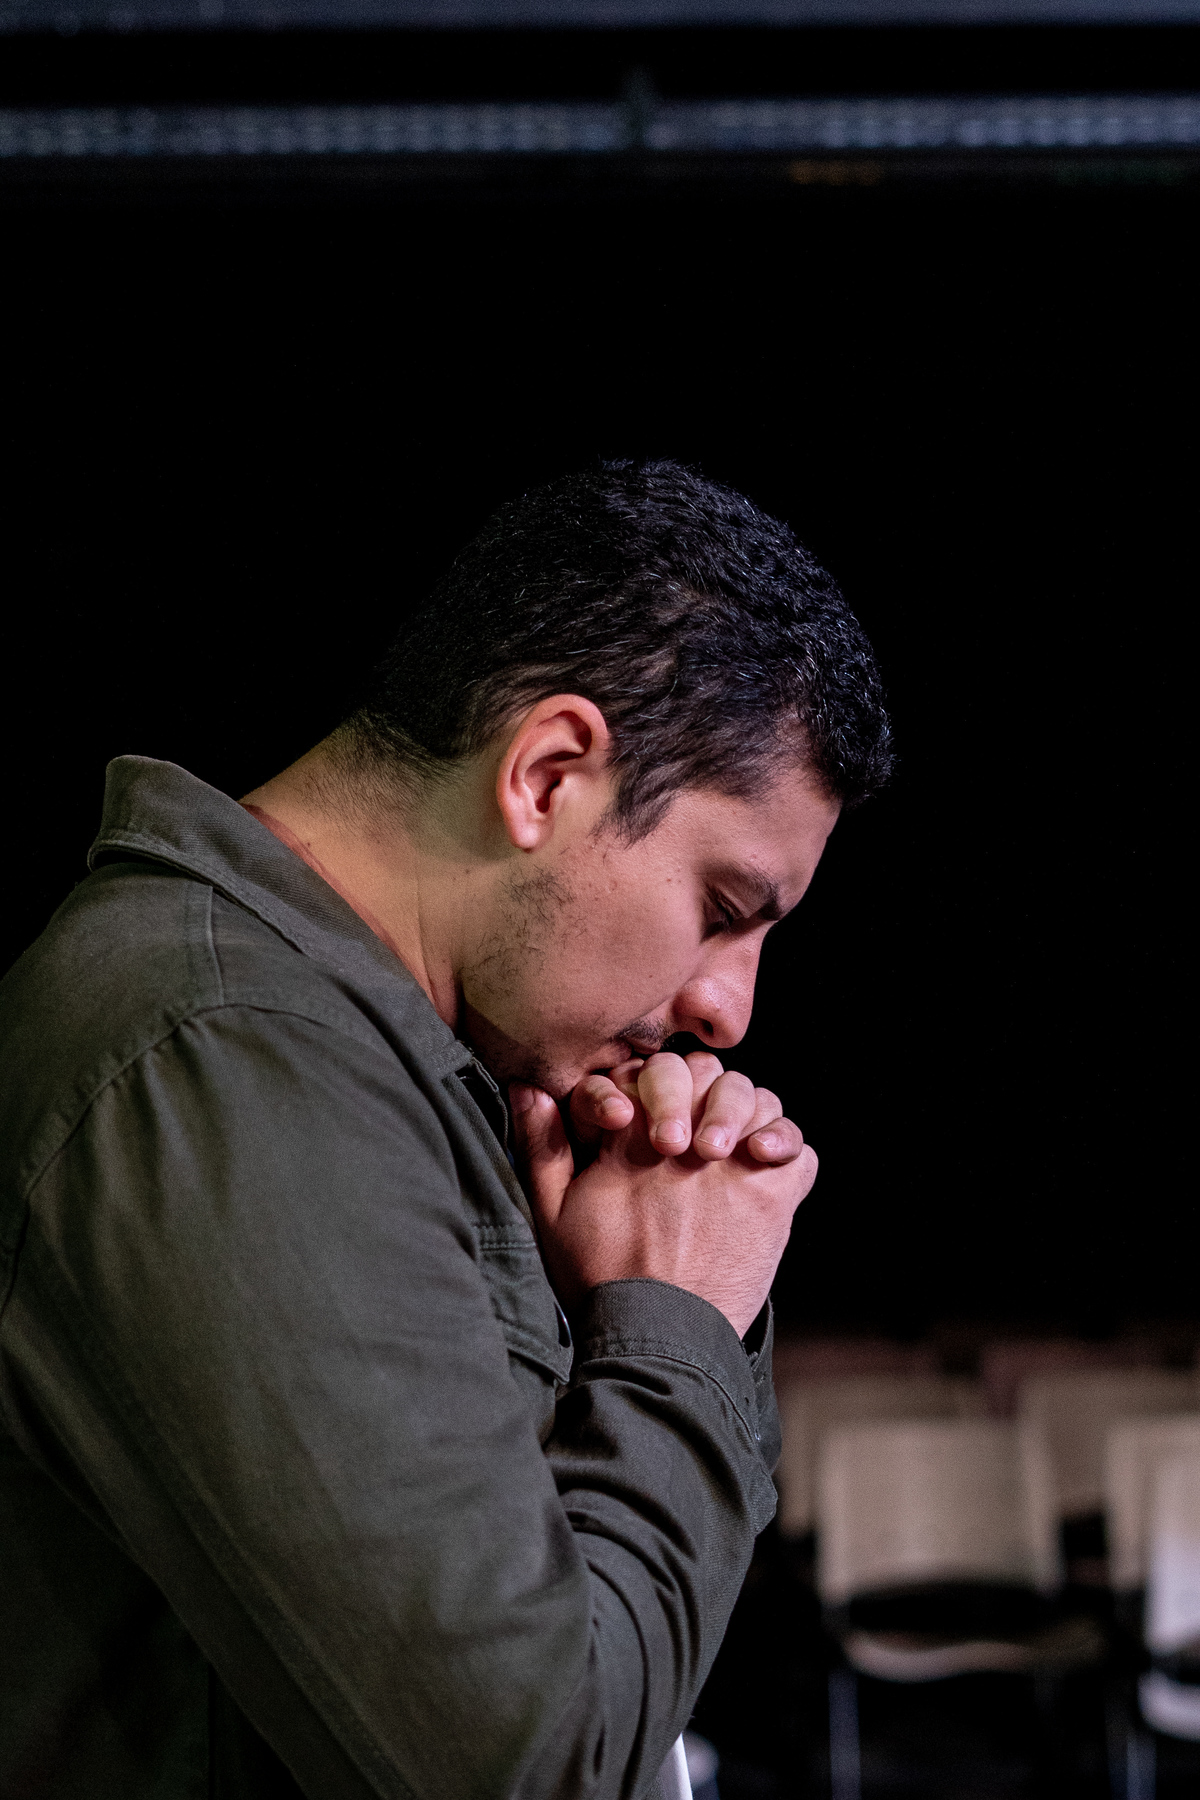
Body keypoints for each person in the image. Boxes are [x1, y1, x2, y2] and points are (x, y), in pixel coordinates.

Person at [0, 461, 891, 1799]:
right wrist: (677, 1325)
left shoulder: (371, 1061)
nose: (730, 1009)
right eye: (723, 908)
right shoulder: (221, 1047)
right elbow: (527, 1767)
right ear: (548, 774)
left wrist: (630, 1305)